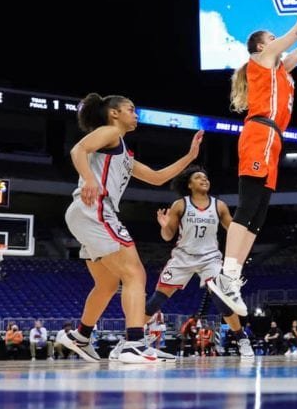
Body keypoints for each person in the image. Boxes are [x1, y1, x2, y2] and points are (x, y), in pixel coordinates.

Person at [208, 0, 297, 317]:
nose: (276, 39)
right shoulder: (264, 60)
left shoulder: (282, 70)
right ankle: (225, 276)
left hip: (273, 139)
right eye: (271, 37)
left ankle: (233, 277)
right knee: (247, 208)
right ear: (260, 46)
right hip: (259, 132)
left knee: (258, 216)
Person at [59, 93, 202, 363]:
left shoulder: (121, 149)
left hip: (86, 213)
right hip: (96, 208)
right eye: (131, 109)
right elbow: (78, 150)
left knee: (107, 283)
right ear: (114, 113)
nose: (136, 114)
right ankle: (133, 344)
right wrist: (89, 179)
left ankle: (80, 336)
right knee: (135, 273)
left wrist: (190, 156)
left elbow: (157, 178)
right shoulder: (109, 131)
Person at [147, 166, 253, 357]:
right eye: (198, 177)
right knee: (157, 299)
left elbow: (234, 230)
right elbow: (168, 235)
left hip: (210, 258)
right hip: (183, 256)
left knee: (222, 299)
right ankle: (132, 337)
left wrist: (247, 226)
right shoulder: (180, 205)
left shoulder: (219, 205)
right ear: (189, 184)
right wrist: (164, 226)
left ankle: (241, 337)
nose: (204, 180)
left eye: (205, 177)